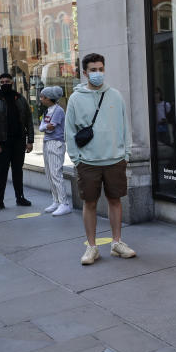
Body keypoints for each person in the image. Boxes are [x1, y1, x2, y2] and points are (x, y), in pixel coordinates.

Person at [65, 53, 136, 265]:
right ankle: (92, 247)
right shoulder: (76, 98)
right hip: (88, 162)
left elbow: (125, 125)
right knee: (90, 203)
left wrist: (126, 153)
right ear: (85, 73)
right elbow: (69, 130)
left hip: (115, 159)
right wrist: (77, 158)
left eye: (101, 69)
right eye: (93, 70)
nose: (98, 73)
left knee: (116, 201)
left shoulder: (115, 95)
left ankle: (117, 243)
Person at [0, 72, 34, 211]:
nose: (5, 83)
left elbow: (29, 119)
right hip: (2, 143)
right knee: (2, 172)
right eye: (2, 81)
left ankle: (20, 197)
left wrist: (30, 140)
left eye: (8, 81)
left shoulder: (20, 98)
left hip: (19, 141)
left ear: (12, 82)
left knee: (18, 170)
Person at [39, 86, 71, 216]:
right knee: (49, 173)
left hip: (56, 143)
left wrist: (45, 127)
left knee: (56, 174)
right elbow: (44, 127)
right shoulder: (48, 110)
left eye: (42, 97)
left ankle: (64, 203)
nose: (41, 99)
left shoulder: (58, 111)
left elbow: (50, 128)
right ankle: (56, 200)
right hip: (47, 142)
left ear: (48, 98)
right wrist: (45, 127)